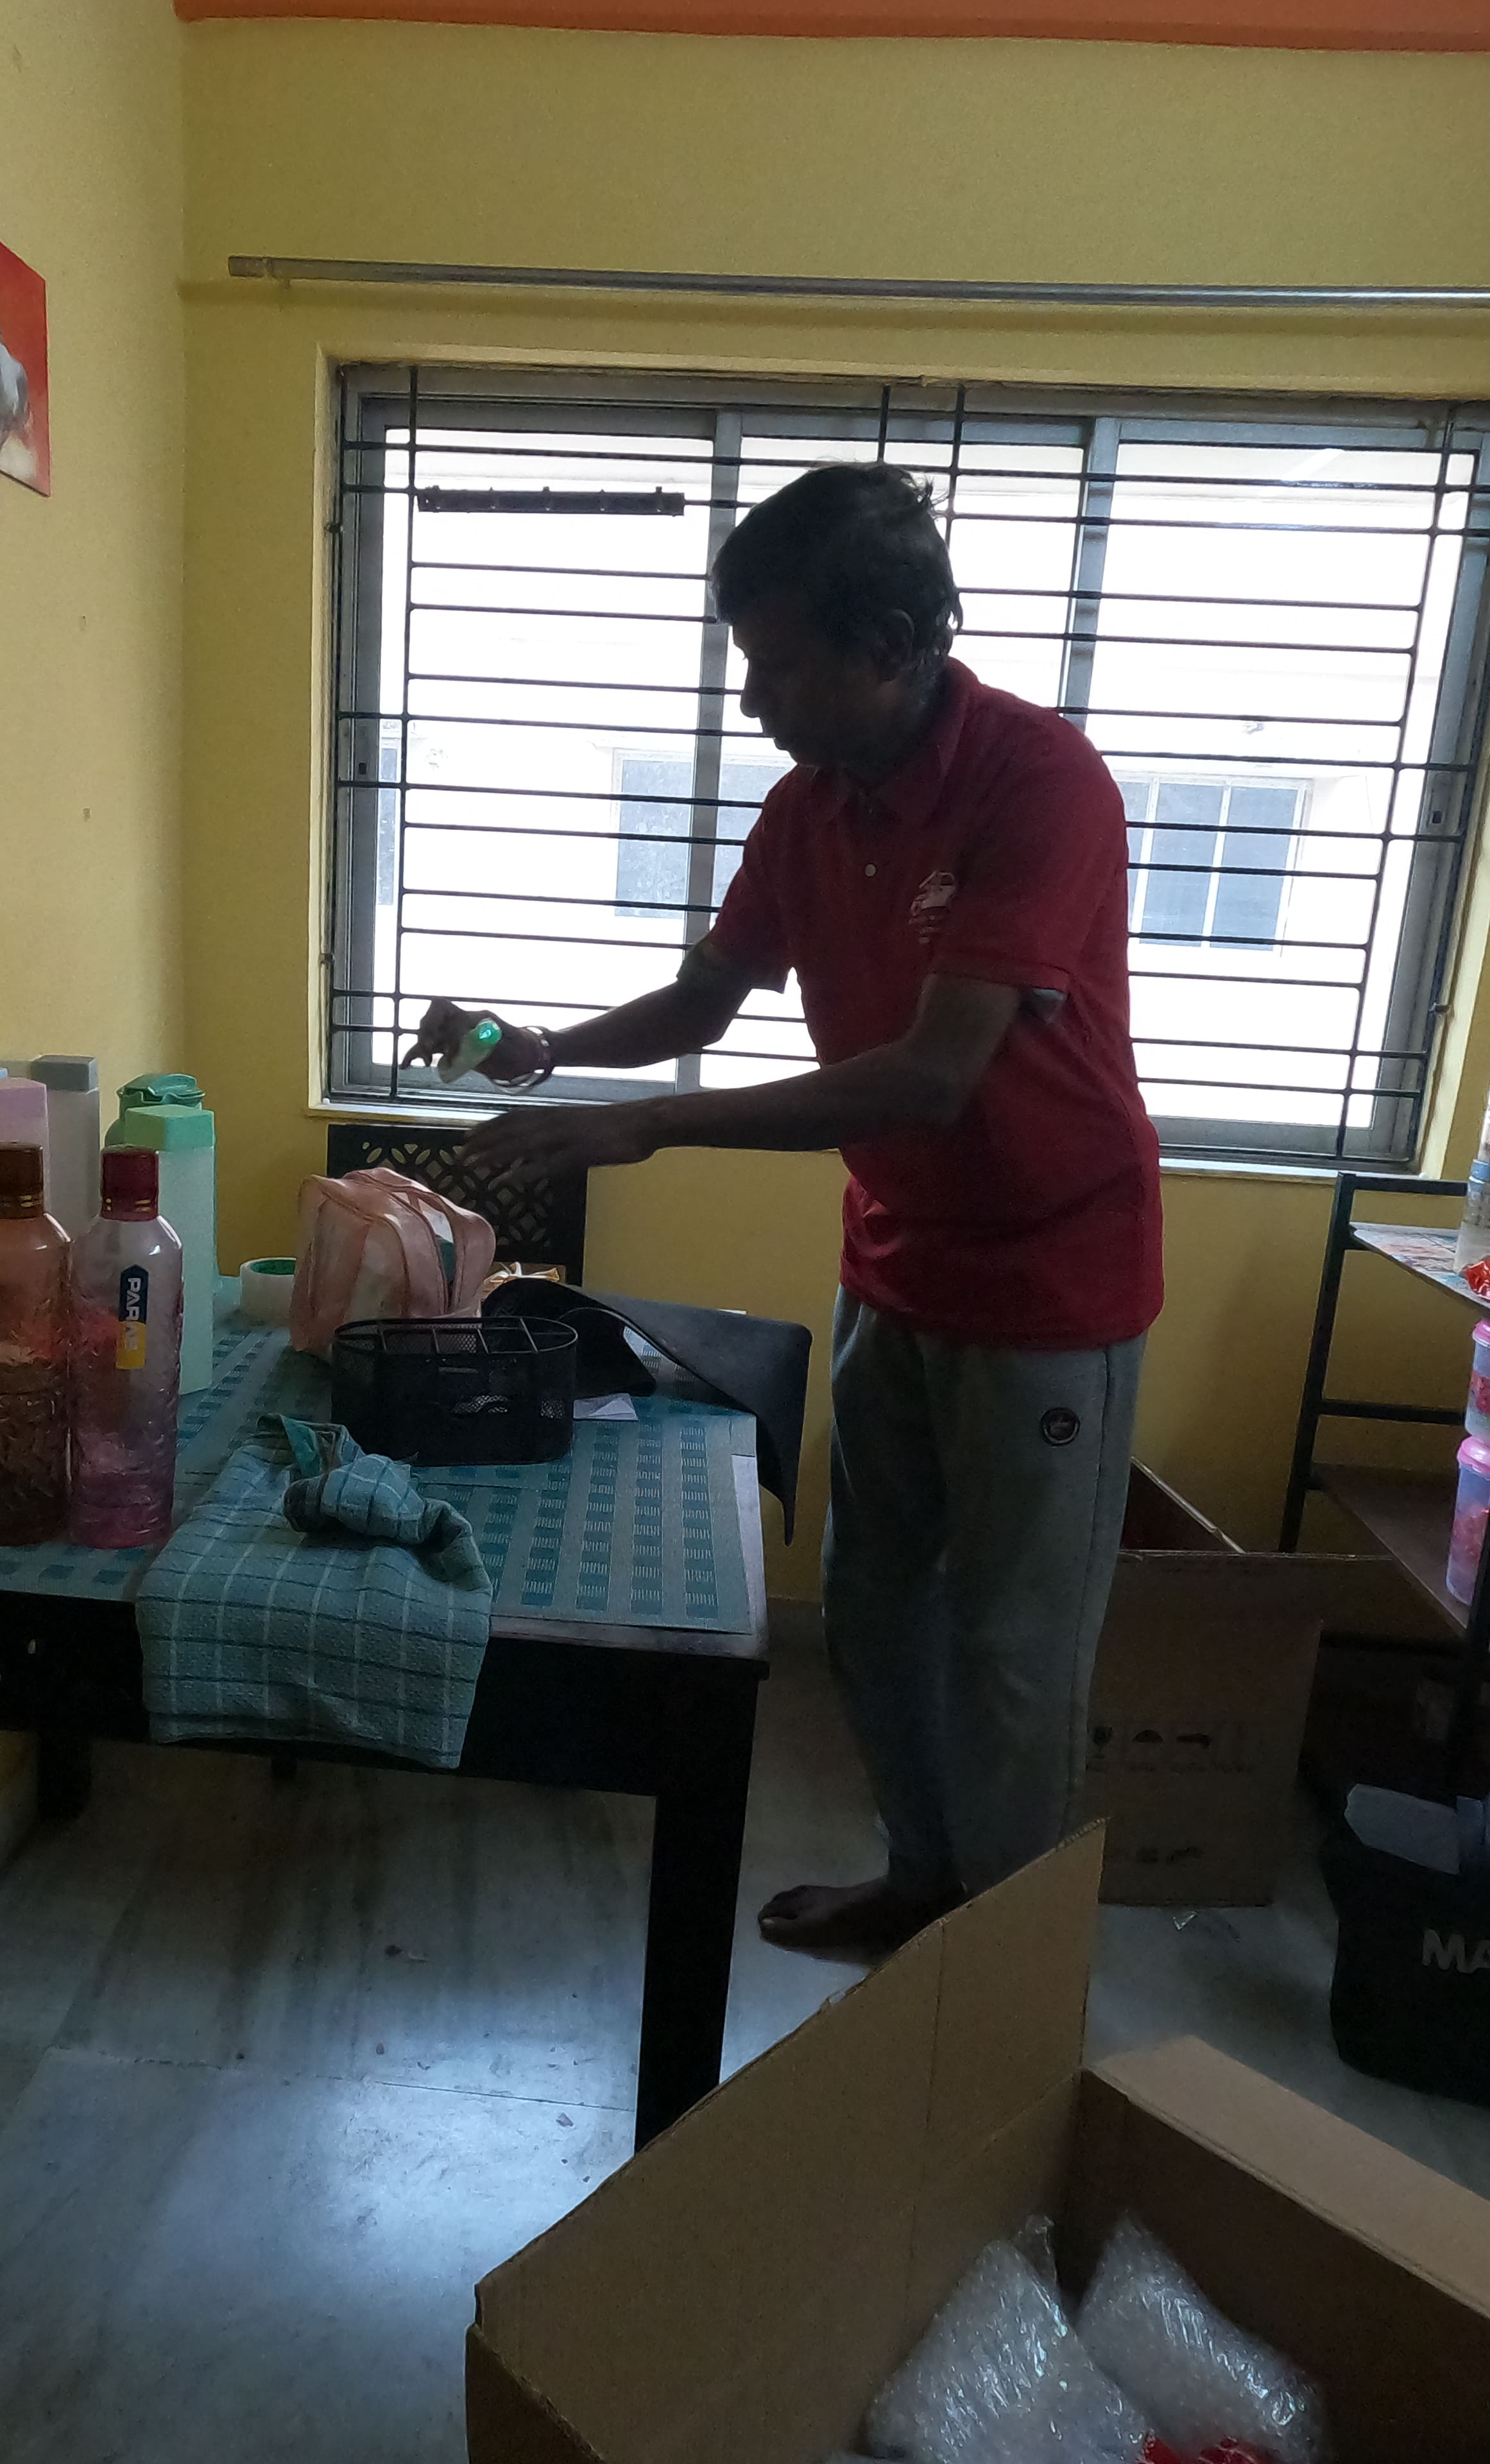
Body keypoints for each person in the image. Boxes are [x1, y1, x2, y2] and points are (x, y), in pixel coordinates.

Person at [418, 463, 1161, 1952]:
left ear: (889, 643)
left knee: (1015, 1652)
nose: (753, 699)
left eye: (777, 665)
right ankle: (925, 1886)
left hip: (1053, 1288)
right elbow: (705, 998)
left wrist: (647, 1128)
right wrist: (539, 1051)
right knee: (875, 1610)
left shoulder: (1040, 782)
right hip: (895, 1266)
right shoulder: (810, 807)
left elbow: (935, 1076)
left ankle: (1004, 1981)